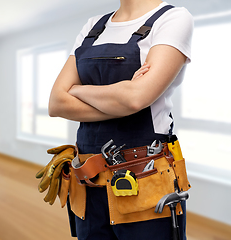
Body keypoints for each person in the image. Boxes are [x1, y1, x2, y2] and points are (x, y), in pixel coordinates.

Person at [48, 0, 193, 239]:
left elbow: (135, 99)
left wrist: (77, 90)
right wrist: (123, 95)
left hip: (146, 182)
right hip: (88, 182)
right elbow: (56, 103)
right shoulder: (93, 26)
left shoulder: (173, 18)